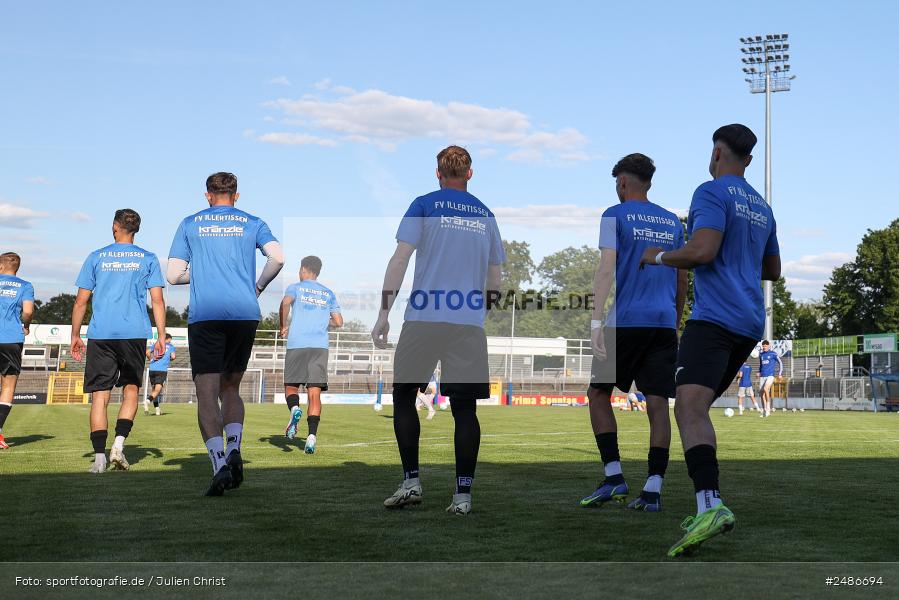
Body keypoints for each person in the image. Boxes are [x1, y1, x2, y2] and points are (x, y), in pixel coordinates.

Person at [640, 124, 780, 557]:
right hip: (749, 322)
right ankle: (708, 503)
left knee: (689, 407)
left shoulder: (710, 191)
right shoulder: (762, 205)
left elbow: (702, 252)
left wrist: (658, 256)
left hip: (715, 319)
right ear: (749, 160)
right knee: (693, 408)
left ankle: (710, 505)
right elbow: (772, 270)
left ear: (718, 152)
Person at [372, 145, 504, 515]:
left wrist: (383, 313)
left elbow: (400, 259)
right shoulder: (486, 214)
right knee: (465, 410)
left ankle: (411, 481)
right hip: (467, 323)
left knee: (402, 396)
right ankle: (462, 496)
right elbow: (495, 278)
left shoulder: (424, 204)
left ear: (438, 173)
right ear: (470, 174)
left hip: (424, 318)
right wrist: (480, 311)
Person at [167, 172, 284, 496]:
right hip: (244, 312)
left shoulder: (190, 223)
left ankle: (219, 465)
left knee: (206, 391)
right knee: (231, 388)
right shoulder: (253, 221)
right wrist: (257, 286)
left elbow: (173, 275)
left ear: (207, 196)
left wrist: (203, 272)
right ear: (236, 195)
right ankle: (234, 446)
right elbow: (278, 257)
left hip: (206, 315)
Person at [583, 153, 687, 513]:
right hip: (662, 323)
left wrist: (596, 321)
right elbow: (681, 275)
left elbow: (606, 268)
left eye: (617, 182)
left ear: (623, 182)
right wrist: (674, 322)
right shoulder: (672, 221)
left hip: (626, 321)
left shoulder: (614, 214)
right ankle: (653, 488)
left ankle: (614, 477)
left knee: (598, 394)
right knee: (658, 404)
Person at [71, 209, 167, 473]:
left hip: (101, 334)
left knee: (100, 397)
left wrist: (75, 335)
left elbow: (81, 301)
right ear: (136, 229)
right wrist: (161, 336)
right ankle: (119, 446)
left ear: (115, 226)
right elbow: (157, 300)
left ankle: (99, 459)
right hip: (134, 333)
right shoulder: (147, 258)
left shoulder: (96, 256)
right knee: (131, 391)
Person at [279, 255, 342, 454]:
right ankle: (312, 437)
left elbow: (285, 303)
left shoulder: (295, 287)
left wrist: (283, 326)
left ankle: (294, 410)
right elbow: (339, 322)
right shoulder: (328, 293)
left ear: (304, 269)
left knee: (291, 387)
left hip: (298, 344)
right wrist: (324, 321)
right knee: (314, 394)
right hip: (320, 347)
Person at [0, 253, 35, 449]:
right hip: (11, 339)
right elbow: (28, 311)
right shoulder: (25, 285)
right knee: (7, 386)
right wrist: (26, 325)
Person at [144, 333, 176, 416]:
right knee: (157, 390)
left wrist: (151, 359)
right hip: (161, 370)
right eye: (170, 340)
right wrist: (168, 359)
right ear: (168, 339)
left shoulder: (156, 344)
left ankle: (157, 410)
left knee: (154, 391)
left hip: (152, 369)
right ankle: (147, 401)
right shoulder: (170, 346)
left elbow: (147, 352)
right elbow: (173, 357)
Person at [758, 340, 783, 417]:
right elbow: (761, 365)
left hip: (770, 376)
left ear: (768, 346)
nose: (764, 347)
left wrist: (779, 374)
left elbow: (780, 363)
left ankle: (768, 408)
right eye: (763, 346)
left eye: (765, 346)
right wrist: (759, 372)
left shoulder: (773, 354)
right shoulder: (761, 355)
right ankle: (765, 411)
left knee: (766, 389)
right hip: (762, 376)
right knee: (761, 394)